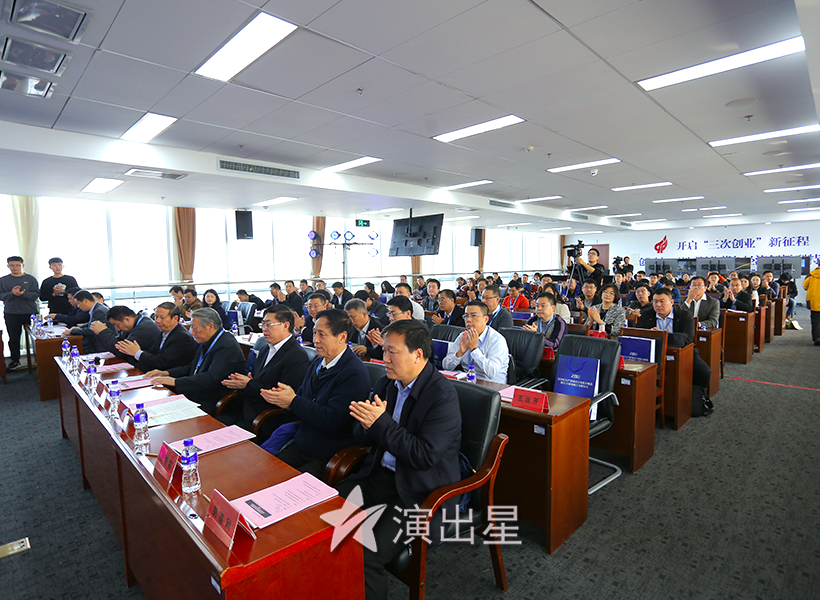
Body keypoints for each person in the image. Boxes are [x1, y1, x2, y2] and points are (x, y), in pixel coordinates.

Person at [339, 319, 461, 600]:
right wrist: (367, 424)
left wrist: (380, 424)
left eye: (391, 352)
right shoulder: (387, 383)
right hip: (378, 477)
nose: (384, 359)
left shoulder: (442, 396)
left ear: (417, 354)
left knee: (365, 554)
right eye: (383, 351)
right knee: (320, 522)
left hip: (418, 493)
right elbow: (361, 436)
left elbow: (424, 455)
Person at [260, 309, 370, 479]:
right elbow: (302, 400)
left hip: (329, 452)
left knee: (287, 485)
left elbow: (332, 421)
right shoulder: (318, 362)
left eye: (322, 334)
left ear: (342, 337)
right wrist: (286, 402)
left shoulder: (354, 373)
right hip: (303, 441)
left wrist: (293, 401)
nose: (315, 340)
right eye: (314, 333)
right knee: (263, 472)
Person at [221, 305, 311, 431]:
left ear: (285, 326)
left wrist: (249, 384)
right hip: (247, 409)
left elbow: (281, 397)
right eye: (263, 324)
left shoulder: (296, 356)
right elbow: (259, 381)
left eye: (268, 325)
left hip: (266, 418)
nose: (264, 329)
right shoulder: (265, 348)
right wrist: (244, 383)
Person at [148, 308, 246, 415]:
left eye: (194, 328)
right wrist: (166, 373)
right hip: (197, 391)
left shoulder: (227, 345)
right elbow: (192, 367)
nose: (192, 333)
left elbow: (211, 378)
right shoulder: (208, 340)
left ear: (210, 326)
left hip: (213, 398)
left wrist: (175, 382)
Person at [636, 288, 712, 399]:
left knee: (704, 372)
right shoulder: (647, 314)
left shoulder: (684, 314)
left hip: (682, 350)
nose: (658, 305)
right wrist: (651, 334)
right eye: (655, 301)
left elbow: (688, 337)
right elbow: (638, 333)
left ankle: (697, 394)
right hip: (655, 352)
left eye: (662, 301)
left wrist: (662, 336)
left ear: (671, 302)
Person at [116, 302, 197, 371]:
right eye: (156, 317)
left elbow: (162, 362)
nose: (157, 321)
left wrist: (137, 353)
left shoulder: (182, 337)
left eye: (162, 318)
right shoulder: (163, 333)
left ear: (175, 318)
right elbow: (153, 354)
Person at [442, 300, 508, 383]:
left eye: (473, 315)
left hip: (491, 385)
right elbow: (446, 366)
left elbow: (492, 372)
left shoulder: (497, 340)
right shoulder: (463, 336)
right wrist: (459, 353)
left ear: (486, 319)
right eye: (466, 316)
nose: (468, 320)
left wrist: (474, 349)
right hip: (468, 382)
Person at [0, 256, 39, 370]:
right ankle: (15, 361)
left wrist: (23, 294)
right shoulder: (3, 280)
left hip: (30, 312)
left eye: (18, 265)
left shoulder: (30, 279)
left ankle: (38, 358)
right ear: (8, 266)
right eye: (12, 265)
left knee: (36, 337)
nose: (15, 267)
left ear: (22, 266)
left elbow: (36, 294)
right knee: (14, 338)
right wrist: (12, 293)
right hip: (11, 313)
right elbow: (1, 296)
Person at [91, 305, 162, 359]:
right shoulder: (134, 325)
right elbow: (118, 342)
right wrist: (101, 332)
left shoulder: (145, 328)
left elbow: (121, 351)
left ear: (127, 319)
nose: (118, 329)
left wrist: (103, 332)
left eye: (117, 325)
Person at [803, 260, 820, 345]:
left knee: (815, 320)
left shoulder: (811, 274)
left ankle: (817, 338)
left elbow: (805, 286)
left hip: (814, 301)